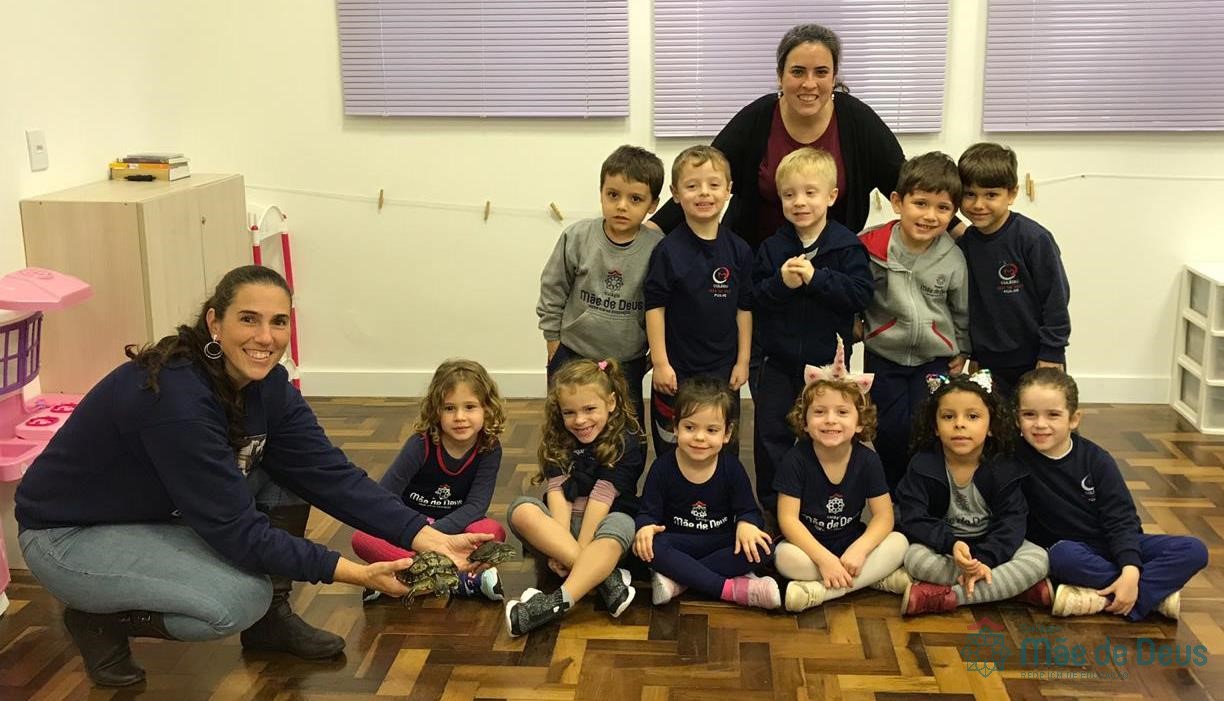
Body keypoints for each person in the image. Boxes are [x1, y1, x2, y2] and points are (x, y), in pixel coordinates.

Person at [15, 265, 491, 688]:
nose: (266, 337)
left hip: (154, 513)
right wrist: (356, 574)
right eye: (248, 319)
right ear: (214, 322)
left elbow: (330, 475)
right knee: (238, 600)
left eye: (278, 322)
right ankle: (100, 619)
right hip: (70, 535)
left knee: (285, 473)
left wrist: (429, 538)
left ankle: (270, 624)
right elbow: (237, 531)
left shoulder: (268, 387)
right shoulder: (176, 399)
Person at [650, 23, 904, 247]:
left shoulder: (857, 120)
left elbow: (906, 186)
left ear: (834, 76)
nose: (809, 83)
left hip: (833, 266)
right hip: (754, 260)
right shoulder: (757, 118)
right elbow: (703, 176)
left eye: (821, 72)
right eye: (798, 71)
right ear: (780, 75)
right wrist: (652, 231)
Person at [1014, 368, 1207, 619]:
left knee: (1194, 549)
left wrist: (1130, 568)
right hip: (1072, 553)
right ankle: (1150, 598)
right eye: (1029, 414)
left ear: (1074, 419)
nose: (1040, 424)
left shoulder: (1097, 460)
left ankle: (1110, 598)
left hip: (1113, 543)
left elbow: (1122, 518)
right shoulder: (1012, 460)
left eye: (1053, 415)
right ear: (1017, 419)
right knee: (1062, 556)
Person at [751, 148, 872, 514]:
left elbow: (861, 294)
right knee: (771, 436)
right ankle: (774, 511)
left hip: (827, 366)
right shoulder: (772, 248)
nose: (799, 202)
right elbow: (755, 298)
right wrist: (781, 283)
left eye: (810, 193)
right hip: (778, 362)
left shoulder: (847, 245)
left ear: (831, 196)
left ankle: (824, 507)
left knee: (827, 433)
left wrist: (818, 279)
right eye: (789, 195)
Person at [503, 358, 645, 637]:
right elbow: (558, 493)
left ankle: (553, 604)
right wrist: (560, 545)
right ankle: (604, 580)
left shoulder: (627, 440)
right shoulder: (558, 437)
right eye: (569, 412)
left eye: (589, 409)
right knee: (520, 509)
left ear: (611, 402)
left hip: (602, 526)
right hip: (562, 530)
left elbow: (602, 498)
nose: (580, 420)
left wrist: (575, 550)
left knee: (623, 523)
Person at [351, 358, 508, 603]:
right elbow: (385, 495)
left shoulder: (490, 448)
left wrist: (433, 536)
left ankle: (396, 575)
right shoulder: (420, 444)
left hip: (455, 529)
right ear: (436, 411)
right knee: (362, 537)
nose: (459, 417)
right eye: (449, 408)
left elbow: (476, 506)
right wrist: (417, 535)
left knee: (492, 532)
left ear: (487, 409)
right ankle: (461, 580)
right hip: (409, 527)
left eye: (470, 407)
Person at [895, 372, 1051, 616]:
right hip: (946, 549)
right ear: (935, 427)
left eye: (973, 416)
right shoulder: (923, 464)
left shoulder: (1004, 467)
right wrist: (950, 544)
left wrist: (985, 559)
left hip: (992, 546)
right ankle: (1012, 589)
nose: (959, 424)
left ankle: (949, 597)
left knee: (1038, 559)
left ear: (991, 427)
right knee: (915, 559)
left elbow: (1012, 522)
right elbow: (912, 517)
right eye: (948, 416)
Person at [859, 152, 969, 491]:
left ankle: (923, 493)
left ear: (953, 213)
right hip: (884, 355)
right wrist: (854, 325)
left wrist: (963, 348)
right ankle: (892, 495)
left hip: (934, 359)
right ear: (897, 202)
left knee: (926, 428)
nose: (929, 216)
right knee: (888, 429)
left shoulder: (954, 257)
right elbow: (852, 291)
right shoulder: (870, 247)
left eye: (942, 208)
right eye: (920, 203)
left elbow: (961, 309)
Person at [537, 145, 666, 429]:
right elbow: (553, 288)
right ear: (601, 193)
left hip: (626, 362)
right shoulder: (577, 237)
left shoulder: (658, 249)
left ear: (653, 205)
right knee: (567, 427)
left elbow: (663, 304)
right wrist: (553, 342)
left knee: (627, 432)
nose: (622, 206)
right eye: (613, 195)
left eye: (635, 199)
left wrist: (653, 355)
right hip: (572, 353)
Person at [772, 347, 909, 612]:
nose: (830, 420)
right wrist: (824, 559)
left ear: (860, 423)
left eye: (842, 412)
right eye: (819, 412)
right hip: (808, 548)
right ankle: (873, 579)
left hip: (850, 544)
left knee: (900, 543)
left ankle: (819, 593)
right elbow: (788, 520)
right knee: (783, 558)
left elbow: (883, 517)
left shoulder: (868, 460)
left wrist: (860, 550)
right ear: (805, 421)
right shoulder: (795, 459)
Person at [633, 377, 778, 609]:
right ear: (675, 426)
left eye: (711, 430)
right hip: (677, 541)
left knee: (763, 547)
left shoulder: (731, 468)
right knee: (650, 547)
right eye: (690, 427)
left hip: (718, 541)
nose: (700, 437)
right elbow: (648, 513)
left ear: (727, 433)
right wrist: (645, 527)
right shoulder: (662, 468)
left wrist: (746, 524)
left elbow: (748, 510)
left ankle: (679, 579)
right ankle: (729, 589)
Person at [645, 146, 753, 457]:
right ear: (675, 194)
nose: (704, 192)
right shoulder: (667, 251)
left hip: (723, 370)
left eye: (713, 184)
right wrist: (660, 364)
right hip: (676, 370)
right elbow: (655, 308)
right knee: (672, 445)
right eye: (692, 185)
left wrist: (743, 361)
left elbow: (744, 309)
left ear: (728, 190)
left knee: (723, 447)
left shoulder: (740, 251)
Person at [957, 142, 1071, 398]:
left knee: (1036, 418)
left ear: (1011, 194)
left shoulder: (1034, 239)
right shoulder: (964, 245)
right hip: (988, 363)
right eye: (969, 194)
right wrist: (973, 354)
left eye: (991, 195)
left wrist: (1052, 352)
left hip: (1036, 358)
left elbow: (1056, 298)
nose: (978, 204)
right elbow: (969, 306)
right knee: (995, 421)